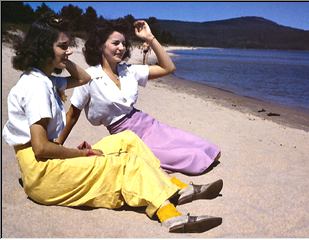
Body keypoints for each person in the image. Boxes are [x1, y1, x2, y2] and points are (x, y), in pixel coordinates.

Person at [2, 14, 223, 233]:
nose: (69, 50)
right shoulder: (36, 87)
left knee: (128, 140)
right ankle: (169, 215)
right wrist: (80, 155)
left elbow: (82, 79)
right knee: (125, 164)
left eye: (69, 46)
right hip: (43, 175)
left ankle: (176, 188)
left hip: (47, 164)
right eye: (63, 46)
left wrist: (64, 57)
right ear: (44, 48)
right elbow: (40, 148)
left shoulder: (46, 80)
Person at [57, 19, 221, 175]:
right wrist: (57, 147)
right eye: (115, 43)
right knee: (190, 158)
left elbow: (168, 68)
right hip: (126, 137)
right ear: (101, 46)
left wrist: (150, 38)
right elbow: (72, 115)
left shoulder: (128, 70)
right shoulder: (89, 77)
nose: (121, 47)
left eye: (123, 43)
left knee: (204, 147)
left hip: (149, 124)